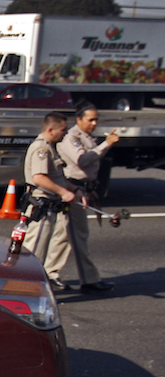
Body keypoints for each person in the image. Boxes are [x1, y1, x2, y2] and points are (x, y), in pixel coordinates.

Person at [58, 102, 119, 293]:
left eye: (96, 119)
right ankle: (89, 279)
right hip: (73, 190)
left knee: (62, 236)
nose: (94, 123)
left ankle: (49, 273)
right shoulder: (72, 138)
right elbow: (82, 160)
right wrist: (106, 144)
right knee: (79, 236)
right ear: (79, 119)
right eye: (90, 119)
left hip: (82, 190)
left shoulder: (87, 137)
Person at [22, 112, 82, 293]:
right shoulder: (42, 149)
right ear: (51, 130)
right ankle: (24, 288)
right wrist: (63, 192)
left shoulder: (51, 147)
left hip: (50, 206)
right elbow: (39, 178)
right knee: (33, 252)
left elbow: (57, 176)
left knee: (41, 248)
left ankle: (35, 285)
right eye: (63, 130)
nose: (65, 133)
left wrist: (73, 189)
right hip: (42, 206)